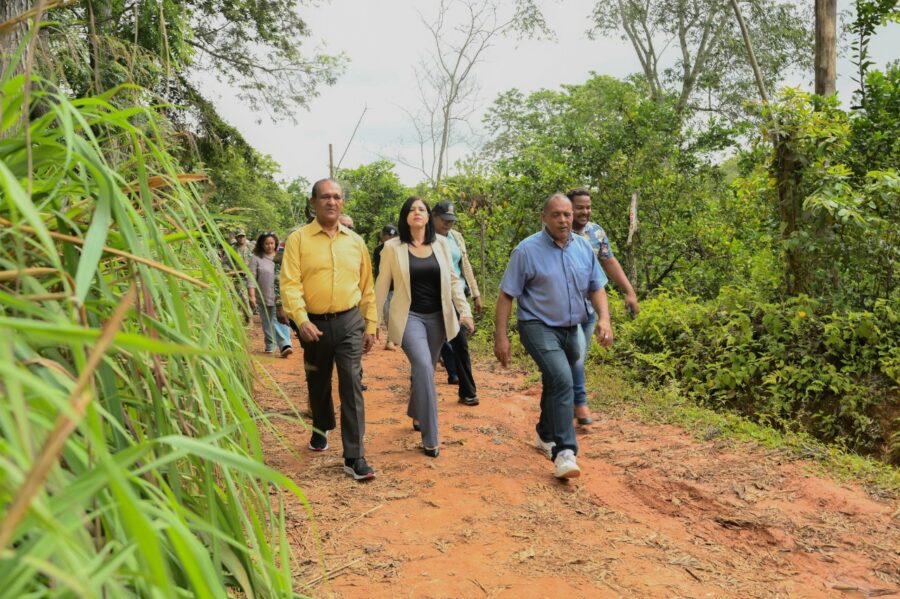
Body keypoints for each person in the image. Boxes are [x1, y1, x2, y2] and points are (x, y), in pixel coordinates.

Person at [494, 193, 613, 479]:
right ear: (544, 218)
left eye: (568, 214)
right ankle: (564, 452)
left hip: (572, 327)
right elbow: (507, 294)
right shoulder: (526, 251)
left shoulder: (584, 248)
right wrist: (501, 336)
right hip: (537, 325)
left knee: (555, 380)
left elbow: (597, 287)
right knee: (563, 379)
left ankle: (545, 432)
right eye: (557, 214)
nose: (563, 219)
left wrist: (605, 319)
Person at [280, 178, 378, 481]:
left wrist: (370, 324)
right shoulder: (298, 240)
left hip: (349, 320)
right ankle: (320, 427)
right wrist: (301, 319)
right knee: (318, 382)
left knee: (351, 381)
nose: (331, 202)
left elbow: (367, 287)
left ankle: (354, 456)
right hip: (314, 325)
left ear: (343, 203)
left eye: (336, 197)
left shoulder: (356, 242)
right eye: (325, 197)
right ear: (313, 202)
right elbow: (290, 283)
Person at [375, 196, 474, 458]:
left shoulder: (442, 244)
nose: (417, 212)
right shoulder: (393, 248)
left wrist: (465, 311)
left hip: (438, 319)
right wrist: (372, 321)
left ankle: (416, 411)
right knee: (422, 367)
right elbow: (382, 285)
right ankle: (431, 437)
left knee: (426, 370)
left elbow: (454, 281)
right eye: (412, 209)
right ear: (405, 216)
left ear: (428, 216)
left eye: (422, 209)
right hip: (409, 318)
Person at [567, 187, 640, 426]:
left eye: (588, 207)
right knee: (575, 356)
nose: (585, 212)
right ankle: (579, 402)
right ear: (569, 208)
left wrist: (629, 292)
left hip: (590, 308)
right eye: (579, 207)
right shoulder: (559, 232)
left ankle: (562, 400)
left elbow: (609, 261)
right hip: (565, 308)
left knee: (577, 356)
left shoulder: (596, 233)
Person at [431, 200, 482, 406]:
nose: (448, 224)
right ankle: (419, 391)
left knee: (460, 342)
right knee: (430, 344)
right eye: (444, 220)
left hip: (457, 294)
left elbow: (464, 266)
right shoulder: (424, 238)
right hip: (433, 297)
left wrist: (476, 293)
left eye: (451, 220)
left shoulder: (456, 237)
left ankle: (467, 391)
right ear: (433, 216)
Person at [247, 232, 294, 357]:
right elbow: (251, 278)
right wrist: (251, 295)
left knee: (278, 318)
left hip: (279, 295)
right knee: (266, 321)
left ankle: (285, 344)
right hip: (262, 295)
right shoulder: (256, 258)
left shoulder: (280, 257)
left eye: (272, 243)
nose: (269, 246)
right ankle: (270, 344)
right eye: (266, 243)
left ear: (276, 244)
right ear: (262, 244)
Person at [373, 224, 399, 350]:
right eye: (387, 235)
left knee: (396, 314)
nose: (389, 238)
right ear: (383, 236)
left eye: (392, 236)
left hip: (398, 288)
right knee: (387, 313)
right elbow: (378, 271)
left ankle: (393, 338)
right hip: (385, 288)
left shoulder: (401, 249)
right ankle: (390, 339)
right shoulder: (378, 251)